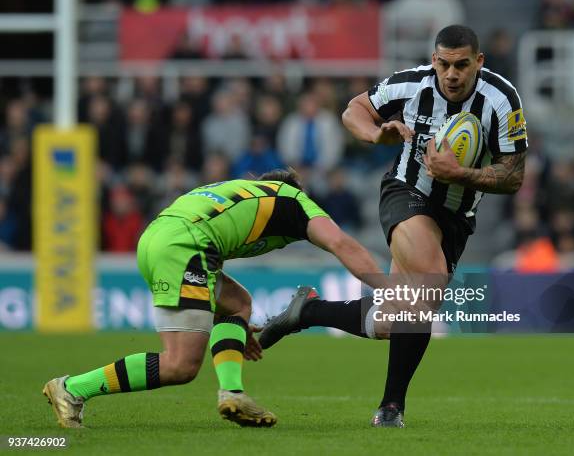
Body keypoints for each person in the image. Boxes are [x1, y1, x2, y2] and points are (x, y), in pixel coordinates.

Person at [260, 25, 527, 427]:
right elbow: (354, 108)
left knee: (395, 319)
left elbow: (514, 176)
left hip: (457, 217)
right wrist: (374, 134)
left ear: (479, 62)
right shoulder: (412, 85)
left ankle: (307, 312)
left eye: (461, 65)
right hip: (406, 192)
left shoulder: (502, 100)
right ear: (433, 60)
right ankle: (391, 408)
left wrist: (460, 174)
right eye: (443, 64)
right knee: (428, 281)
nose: (451, 74)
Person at [43, 169, 384, 429]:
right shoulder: (294, 201)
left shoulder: (241, 191)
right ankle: (72, 388)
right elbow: (342, 244)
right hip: (186, 246)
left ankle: (233, 393)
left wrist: (235, 334)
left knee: (238, 305)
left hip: (157, 237)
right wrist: (390, 291)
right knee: (180, 365)